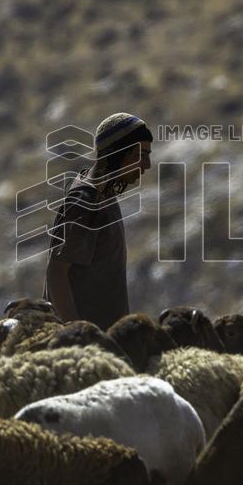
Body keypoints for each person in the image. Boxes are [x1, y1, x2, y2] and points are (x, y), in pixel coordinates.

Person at [44, 112, 153, 329]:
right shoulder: (85, 201)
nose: (147, 164)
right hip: (85, 343)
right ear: (118, 152)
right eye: (140, 154)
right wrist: (78, 332)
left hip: (105, 338)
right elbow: (56, 273)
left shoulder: (103, 195)